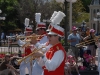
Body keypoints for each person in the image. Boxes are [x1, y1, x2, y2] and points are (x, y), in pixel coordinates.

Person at [32, 11, 67, 75]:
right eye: (48, 35)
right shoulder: (52, 48)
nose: (48, 37)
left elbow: (51, 67)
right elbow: (43, 65)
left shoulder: (59, 51)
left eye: (50, 36)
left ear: (57, 37)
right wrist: (38, 57)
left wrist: (42, 55)